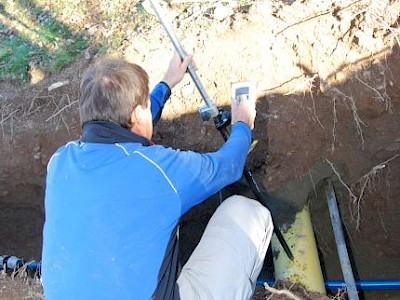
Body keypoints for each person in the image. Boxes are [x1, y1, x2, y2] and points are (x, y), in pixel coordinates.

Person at [41, 52, 273, 300]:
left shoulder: (59, 162)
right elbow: (228, 165)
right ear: (137, 115)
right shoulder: (160, 170)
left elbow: (118, 129)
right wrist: (242, 123)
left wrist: (166, 84)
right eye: (146, 106)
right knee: (247, 211)